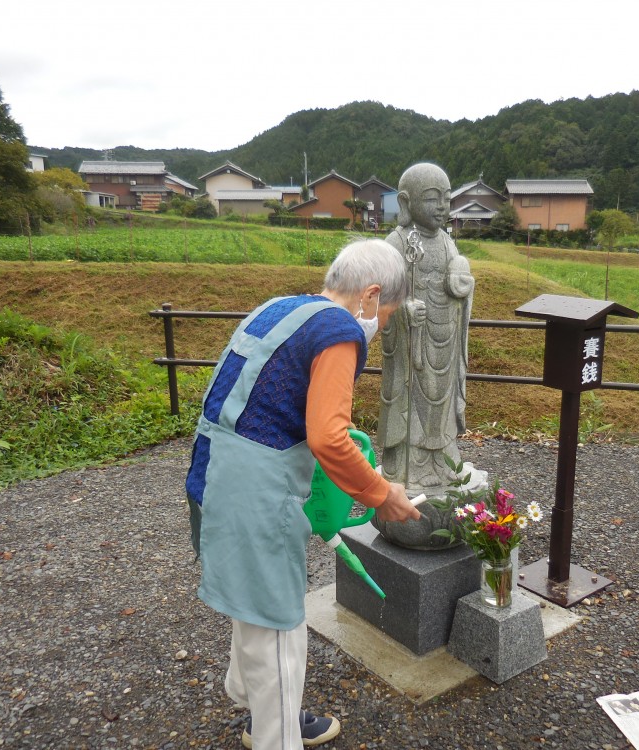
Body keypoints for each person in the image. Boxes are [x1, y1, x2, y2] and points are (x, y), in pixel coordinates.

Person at [185, 238, 421, 749]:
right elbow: (329, 436)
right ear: (370, 294)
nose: (380, 325)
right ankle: (277, 735)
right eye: (386, 313)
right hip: (253, 491)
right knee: (278, 626)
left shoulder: (281, 308)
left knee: (252, 603)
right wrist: (382, 494)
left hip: (211, 472)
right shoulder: (339, 330)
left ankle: (254, 703)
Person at [378, 162, 475, 493]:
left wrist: (461, 286)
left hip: (444, 342)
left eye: (446, 199)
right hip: (411, 347)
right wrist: (403, 310)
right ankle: (411, 467)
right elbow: (383, 296)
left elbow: (459, 285)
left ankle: (442, 463)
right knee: (412, 401)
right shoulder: (396, 242)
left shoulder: (448, 243)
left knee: (440, 405)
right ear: (406, 202)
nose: (442, 207)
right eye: (433, 198)